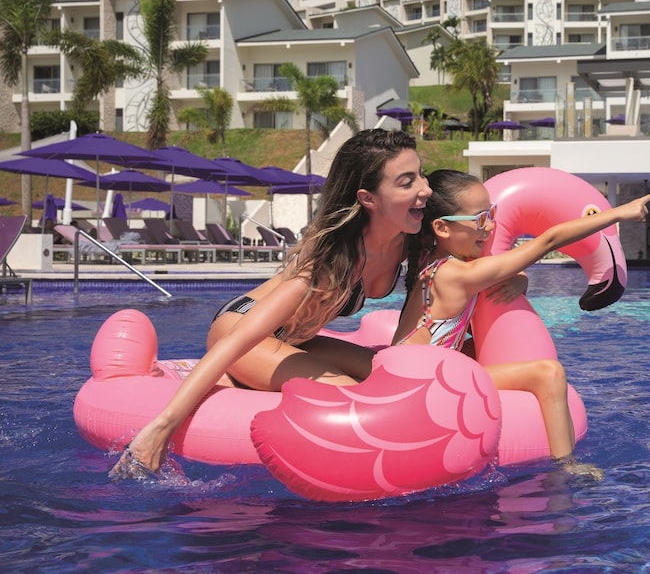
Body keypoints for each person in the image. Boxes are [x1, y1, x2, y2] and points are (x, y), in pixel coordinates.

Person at [110, 129, 432, 479]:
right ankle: (235, 377)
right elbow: (238, 340)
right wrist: (161, 428)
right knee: (350, 392)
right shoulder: (330, 262)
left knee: (388, 377)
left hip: (296, 340)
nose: (425, 189)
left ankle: (241, 380)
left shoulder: (408, 243)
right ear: (369, 199)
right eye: (407, 182)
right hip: (244, 331)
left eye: (421, 175)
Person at [392, 169, 650, 472]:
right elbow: (549, 240)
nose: (490, 226)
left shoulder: (437, 261)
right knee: (549, 373)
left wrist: (521, 280)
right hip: (422, 382)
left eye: (491, 214)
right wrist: (619, 213)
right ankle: (566, 466)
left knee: (474, 349)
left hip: (414, 366)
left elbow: (497, 279)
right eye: (480, 219)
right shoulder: (457, 274)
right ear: (441, 228)